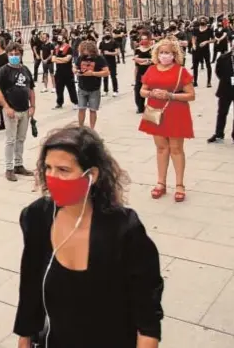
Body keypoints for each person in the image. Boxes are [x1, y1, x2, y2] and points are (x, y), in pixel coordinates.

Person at [14, 125, 164, 348]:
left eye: (63, 170)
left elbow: (147, 318)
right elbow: (31, 285)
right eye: (48, 167)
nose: (52, 177)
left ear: (91, 175)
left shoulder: (124, 230)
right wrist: (24, 337)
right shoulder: (37, 217)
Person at [139, 39, 196, 203]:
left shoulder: (181, 71)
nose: (165, 55)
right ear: (157, 53)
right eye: (162, 52)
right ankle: (161, 182)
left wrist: (170, 95)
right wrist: (151, 94)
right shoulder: (151, 69)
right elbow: (142, 90)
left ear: (174, 54)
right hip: (155, 111)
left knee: (176, 148)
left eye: (168, 53)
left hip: (176, 111)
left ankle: (179, 185)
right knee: (161, 148)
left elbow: (191, 95)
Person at [0, 42, 35, 182]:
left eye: (16, 54)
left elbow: (31, 89)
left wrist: (32, 106)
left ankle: (19, 164)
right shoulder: (4, 71)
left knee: (21, 139)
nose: (14, 56)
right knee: (10, 140)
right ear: (7, 55)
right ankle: (9, 168)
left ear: (21, 54)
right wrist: (6, 107)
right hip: (11, 110)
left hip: (24, 110)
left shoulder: (25, 70)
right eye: (11, 54)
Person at [75, 41, 109, 130]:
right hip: (82, 87)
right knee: (81, 109)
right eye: (83, 50)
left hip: (94, 89)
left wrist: (93, 73)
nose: (85, 52)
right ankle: (81, 128)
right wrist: (76, 71)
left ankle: (92, 129)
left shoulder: (99, 58)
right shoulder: (80, 58)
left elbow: (106, 72)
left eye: (86, 50)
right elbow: (75, 67)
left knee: (92, 110)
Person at [209, 45, 234, 143]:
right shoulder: (223, 58)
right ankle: (219, 133)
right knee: (222, 112)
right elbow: (218, 71)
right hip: (225, 88)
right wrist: (226, 80)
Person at [51, 35, 78, 109]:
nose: (58, 40)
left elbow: (67, 59)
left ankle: (75, 102)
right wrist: (62, 60)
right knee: (59, 89)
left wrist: (58, 59)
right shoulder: (56, 48)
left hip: (68, 72)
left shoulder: (69, 48)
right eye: (58, 39)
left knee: (71, 88)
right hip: (59, 72)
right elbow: (53, 59)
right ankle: (59, 103)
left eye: (60, 39)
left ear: (64, 39)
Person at [133, 33, 153, 114]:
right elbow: (136, 64)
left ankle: (151, 107)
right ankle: (140, 107)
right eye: (142, 39)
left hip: (150, 73)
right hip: (140, 73)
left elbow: (153, 60)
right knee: (138, 90)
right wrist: (135, 77)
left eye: (145, 39)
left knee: (151, 91)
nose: (144, 40)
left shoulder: (152, 49)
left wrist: (142, 60)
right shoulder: (137, 50)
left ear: (148, 40)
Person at [191, 17, 214, 87]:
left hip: (205, 50)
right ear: (199, 21)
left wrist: (206, 42)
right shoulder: (196, 29)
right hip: (197, 49)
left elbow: (213, 40)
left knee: (208, 65)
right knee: (195, 66)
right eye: (201, 20)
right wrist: (193, 44)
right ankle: (195, 81)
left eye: (204, 20)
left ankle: (209, 82)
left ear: (206, 22)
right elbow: (193, 38)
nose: (202, 21)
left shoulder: (209, 30)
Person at [99, 31, 120, 97]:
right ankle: (105, 91)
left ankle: (115, 90)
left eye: (108, 33)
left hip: (112, 62)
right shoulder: (101, 43)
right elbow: (100, 53)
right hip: (104, 63)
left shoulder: (114, 42)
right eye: (106, 34)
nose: (107, 35)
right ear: (104, 35)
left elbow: (117, 52)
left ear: (110, 35)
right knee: (105, 77)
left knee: (113, 77)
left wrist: (109, 53)